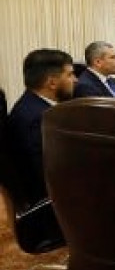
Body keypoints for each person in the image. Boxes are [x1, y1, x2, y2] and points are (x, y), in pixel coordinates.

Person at [7, 49, 76, 202]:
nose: (75, 80)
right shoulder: (37, 118)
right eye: (70, 74)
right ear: (52, 82)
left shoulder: (35, 106)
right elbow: (47, 174)